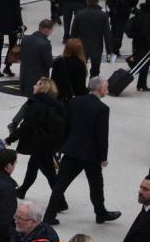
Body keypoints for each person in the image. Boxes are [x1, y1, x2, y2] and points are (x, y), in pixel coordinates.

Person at [45, 76, 120, 226]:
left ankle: (49, 216)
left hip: (72, 151)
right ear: (99, 89)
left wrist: (63, 146)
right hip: (91, 155)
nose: (107, 89)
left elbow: (66, 126)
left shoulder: (75, 101)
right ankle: (101, 214)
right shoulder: (102, 109)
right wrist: (103, 156)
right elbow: (101, 135)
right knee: (96, 186)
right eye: (105, 86)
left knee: (60, 185)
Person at [11, 77, 67, 197]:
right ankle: (22, 190)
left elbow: (27, 126)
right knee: (33, 166)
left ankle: (60, 201)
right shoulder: (57, 104)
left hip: (41, 144)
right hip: (50, 143)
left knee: (50, 174)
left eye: (37, 85)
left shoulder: (37, 105)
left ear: (43, 88)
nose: (33, 86)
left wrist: (10, 139)